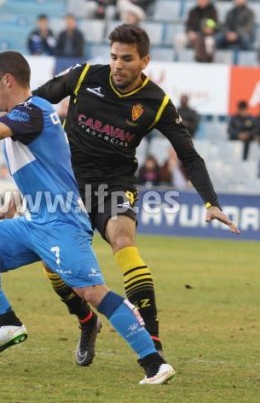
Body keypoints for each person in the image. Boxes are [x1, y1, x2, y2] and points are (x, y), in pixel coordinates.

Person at [0, 50, 176, 385]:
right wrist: (14, 200)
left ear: (8, 80)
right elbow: (48, 166)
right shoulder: (29, 116)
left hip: (62, 223)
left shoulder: (32, 111)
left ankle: (153, 362)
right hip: (36, 221)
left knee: (92, 291)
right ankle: (6, 322)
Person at [32, 24, 239, 365]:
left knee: (123, 241)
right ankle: (86, 322)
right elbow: (35, 101)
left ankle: (153, 340)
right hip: (66, 183)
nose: (117, 65)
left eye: (127, 59)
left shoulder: (156, 102)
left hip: (114, 184)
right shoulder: (85, 75)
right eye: (113, 56)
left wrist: (211, 202)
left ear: (144, 61)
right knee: (51, 263)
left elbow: (189, 155)